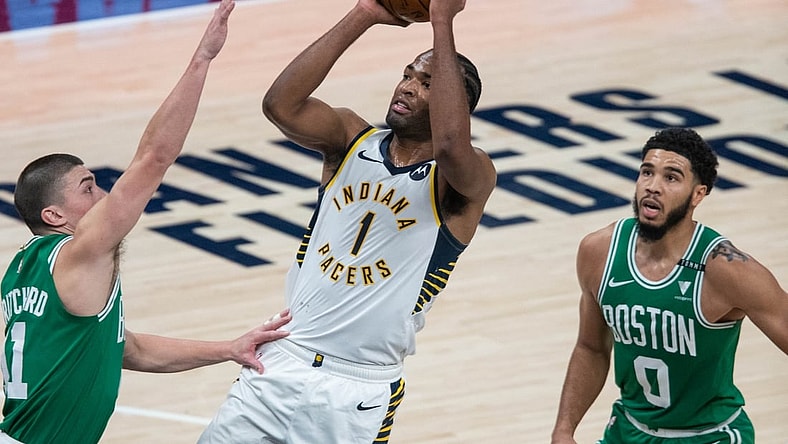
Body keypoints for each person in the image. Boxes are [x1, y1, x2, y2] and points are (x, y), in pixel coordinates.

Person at [197, 0, 497, 442]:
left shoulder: (463, 180)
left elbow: (452, 144)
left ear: (456, 103)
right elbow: (280, 105)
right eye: (408, 74)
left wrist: (441, 21)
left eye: (428, 82)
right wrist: (366, 13)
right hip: (281, 359)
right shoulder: (350, 138)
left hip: (359, 386)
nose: (408, 87)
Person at [0, 2, 291, 443]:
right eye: (88, 188)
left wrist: (229, 348)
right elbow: (154, 158)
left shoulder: (24, 270)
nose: (103, 196)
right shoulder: (78, 253)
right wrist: (203, 59)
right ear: (54, 216)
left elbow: (127, 348)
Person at [551, 127, 788, 444]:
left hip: (710, 436)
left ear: (698, 194)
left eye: (671, 177)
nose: (652, 187)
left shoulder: (727, 269)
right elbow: (591, 348)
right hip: (629, 430)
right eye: (647, 172)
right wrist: (564, 429)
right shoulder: (599, 252)